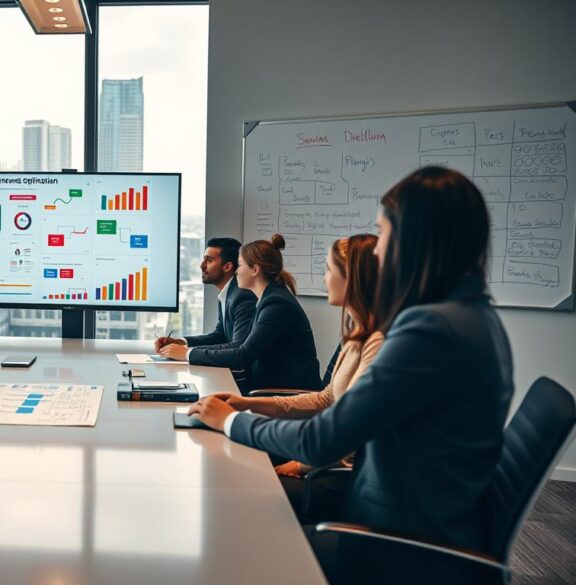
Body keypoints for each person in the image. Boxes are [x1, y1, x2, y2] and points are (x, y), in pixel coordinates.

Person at [188, 167, 514, 584]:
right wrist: (245, 410)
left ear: (414, 239)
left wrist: (230, 421)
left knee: (240, 507)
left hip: (395, 541)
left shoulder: (430, 330)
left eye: (383, 234)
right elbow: (337, 409)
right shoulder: (474, 318)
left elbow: (323, 439)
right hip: (414, 518)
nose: (377, 253)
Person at [224, 234, 382, 522]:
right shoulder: (356, 333)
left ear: (352, 278)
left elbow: (351, 433)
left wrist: (300, 464)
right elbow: (327, 398)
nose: (324, 279)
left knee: (246, 489)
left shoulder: (377, 342)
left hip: (341, 474)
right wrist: (248, 403)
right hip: (326, 456)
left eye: (328, 270)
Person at [160, 233, 322, 391]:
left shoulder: (275, 303)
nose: (236, 271)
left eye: (240, 265)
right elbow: (228, 340)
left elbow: (242, 355)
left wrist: (188, 354)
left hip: (286, 392)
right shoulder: (268, 298)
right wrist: (184, 347)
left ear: (255, 270)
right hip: (271, 386)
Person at [154, 237, 257, 354]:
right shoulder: (227, 293)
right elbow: (220, 335)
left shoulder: (242, 296)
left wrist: (186, 352)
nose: (202, 265)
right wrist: (180, 342)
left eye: (209, 260)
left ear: (227, 267)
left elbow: (238, 346)